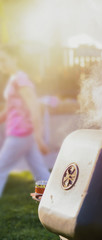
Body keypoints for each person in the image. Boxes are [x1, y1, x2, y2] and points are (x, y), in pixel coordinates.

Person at [0, 51, 50, 197]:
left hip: (20, 134)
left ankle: (51, 198)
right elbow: (9, 109)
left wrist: (39, 137)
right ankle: (51, 198)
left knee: (1, 167)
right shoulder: (14, 79)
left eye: (3, 60)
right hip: (23, 133)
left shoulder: (21, 80)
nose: (1, 64)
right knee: (39, 169)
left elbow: (33, 107)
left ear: (15, 59)